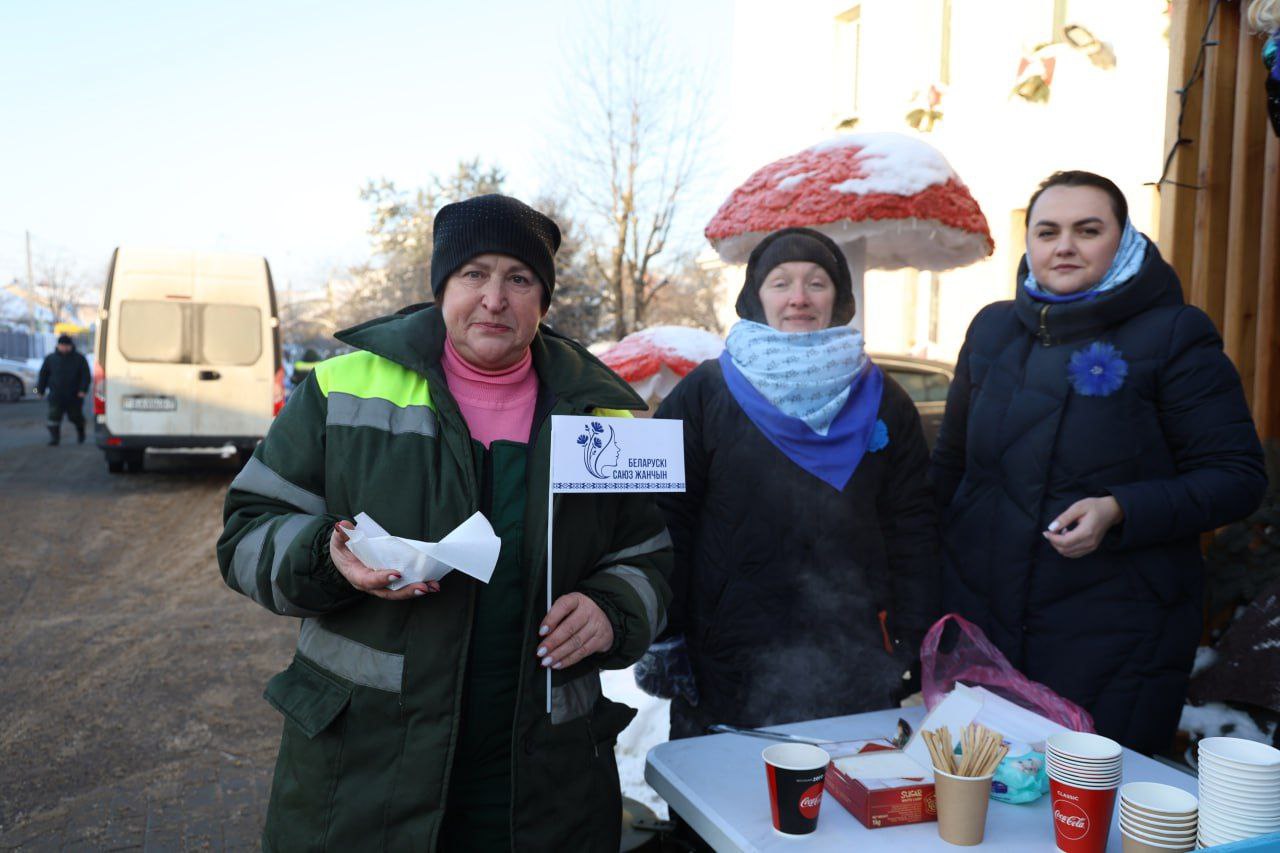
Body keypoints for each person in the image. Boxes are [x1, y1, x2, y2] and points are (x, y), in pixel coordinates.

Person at [216, 194, 672, 851]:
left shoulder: (601, 418)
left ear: (543, 301)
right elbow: (247, 530)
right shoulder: (340, 390)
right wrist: (325, 556)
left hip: (543, 781)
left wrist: (612, 607)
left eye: (519, 279)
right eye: (473, 274)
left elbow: (648, 557)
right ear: (441, 288)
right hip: (366, 773)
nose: (495, 298)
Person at [931, 171, 1267, 754]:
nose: (1064, 246)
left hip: (1117, 637)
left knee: (1087, 801)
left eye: (1088, 230)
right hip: (984, 627)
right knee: (983, 797)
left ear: (1123, 238)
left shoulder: (1173, 334)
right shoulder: (991, 330)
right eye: (1047, 232)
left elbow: (1237, 477)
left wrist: (1121, 508)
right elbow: (950, 468)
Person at [651, 227, 940, 740]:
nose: (799, 298)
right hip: (725, 659)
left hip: (854, 656)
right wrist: (664, 636)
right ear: (756, 297)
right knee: (723, 787)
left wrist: (913, 638)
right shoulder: (705, 392)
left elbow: (914, 526)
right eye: (781, 283)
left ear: (839, 298)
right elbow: (663, 519)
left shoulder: (885, 399)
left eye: (816, 283)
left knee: (846, 785)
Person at [37, 333, 90, 446]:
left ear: (71, 346)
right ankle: (54, 438)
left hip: (74, 395)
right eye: (62, 345)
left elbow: (86, 376)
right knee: (53, 417)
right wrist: (39, 391)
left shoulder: (79, 358)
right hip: (56, 395)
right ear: (58, 345)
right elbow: (43, 375)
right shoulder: (50, 358)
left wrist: (83, 390)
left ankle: (81, 433)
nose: (64, 348)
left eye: (67, 345)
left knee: (75, 417)